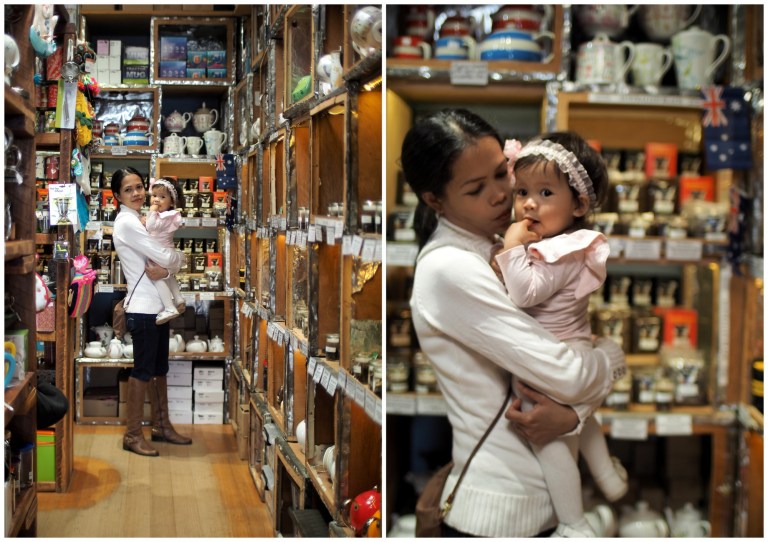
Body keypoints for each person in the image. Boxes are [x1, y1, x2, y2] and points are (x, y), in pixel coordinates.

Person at [401, 109, 626, 538]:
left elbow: (564, 366)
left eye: (501, 175)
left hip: (531, 504)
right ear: (434, 200)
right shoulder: (452, 268)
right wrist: (611, 356)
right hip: (501, 511)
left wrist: (573, 414)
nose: (503, 195)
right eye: (476, 188)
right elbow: (567, 374)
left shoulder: (502, 240)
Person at [494, 132, 628, 536]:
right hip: (571, 349)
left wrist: (509, 249)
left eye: (546, 192)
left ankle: (574, 523)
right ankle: (608, 477)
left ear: (579, 205)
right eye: (522, 192)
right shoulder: (552, 242)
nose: (529, 203)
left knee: (551, 445)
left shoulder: (565, 248)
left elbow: (524, 294)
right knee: (581, 421)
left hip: (555, 358)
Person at [111, 167, 192, 456]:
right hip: (144, 308)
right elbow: (166, 255)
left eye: (139, 187)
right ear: (117, 196)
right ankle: (132, 435)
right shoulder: (127, 223)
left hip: (158, 308)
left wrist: (172, 262)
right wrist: (176, 261)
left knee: (159, 368)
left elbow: (167, 258)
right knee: (143, 369)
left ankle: (161, 426)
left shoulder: (143, 220)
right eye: (128, 189)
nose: (137, 193)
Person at [144, 177, 186, 325]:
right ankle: (178, 298)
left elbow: (150, 227)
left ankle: (169, 307)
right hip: (167, 252)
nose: (156, 200)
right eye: (154, 196)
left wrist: (151, 212)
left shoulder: (164, 216)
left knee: (156, 277)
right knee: (169, 276)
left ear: (172, 202)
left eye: (162, 197)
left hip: (159, 253)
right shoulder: (170, 216)